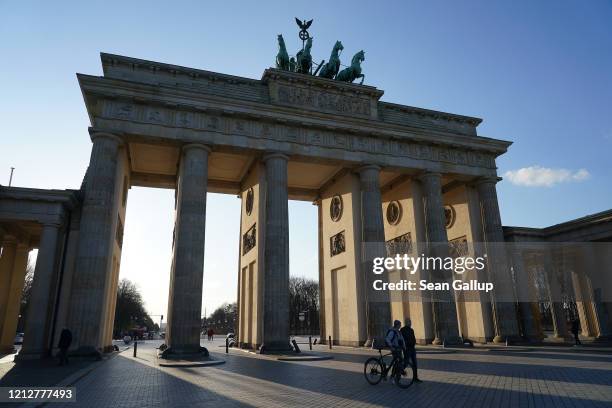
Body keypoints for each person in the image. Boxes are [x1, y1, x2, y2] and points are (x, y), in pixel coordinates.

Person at [400, 318, 422, 383]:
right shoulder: (402, 330)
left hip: (412, 348)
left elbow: (413, 338)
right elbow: (402, 339)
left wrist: (414, 342)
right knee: (406, 363)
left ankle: (415, 378)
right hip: (407, 349)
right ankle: (398, 373)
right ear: (406, 323)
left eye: (410, 321)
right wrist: (406, 345)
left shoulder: (411, 330)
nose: (410, 323)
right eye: (409, 322)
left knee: (415, 363)